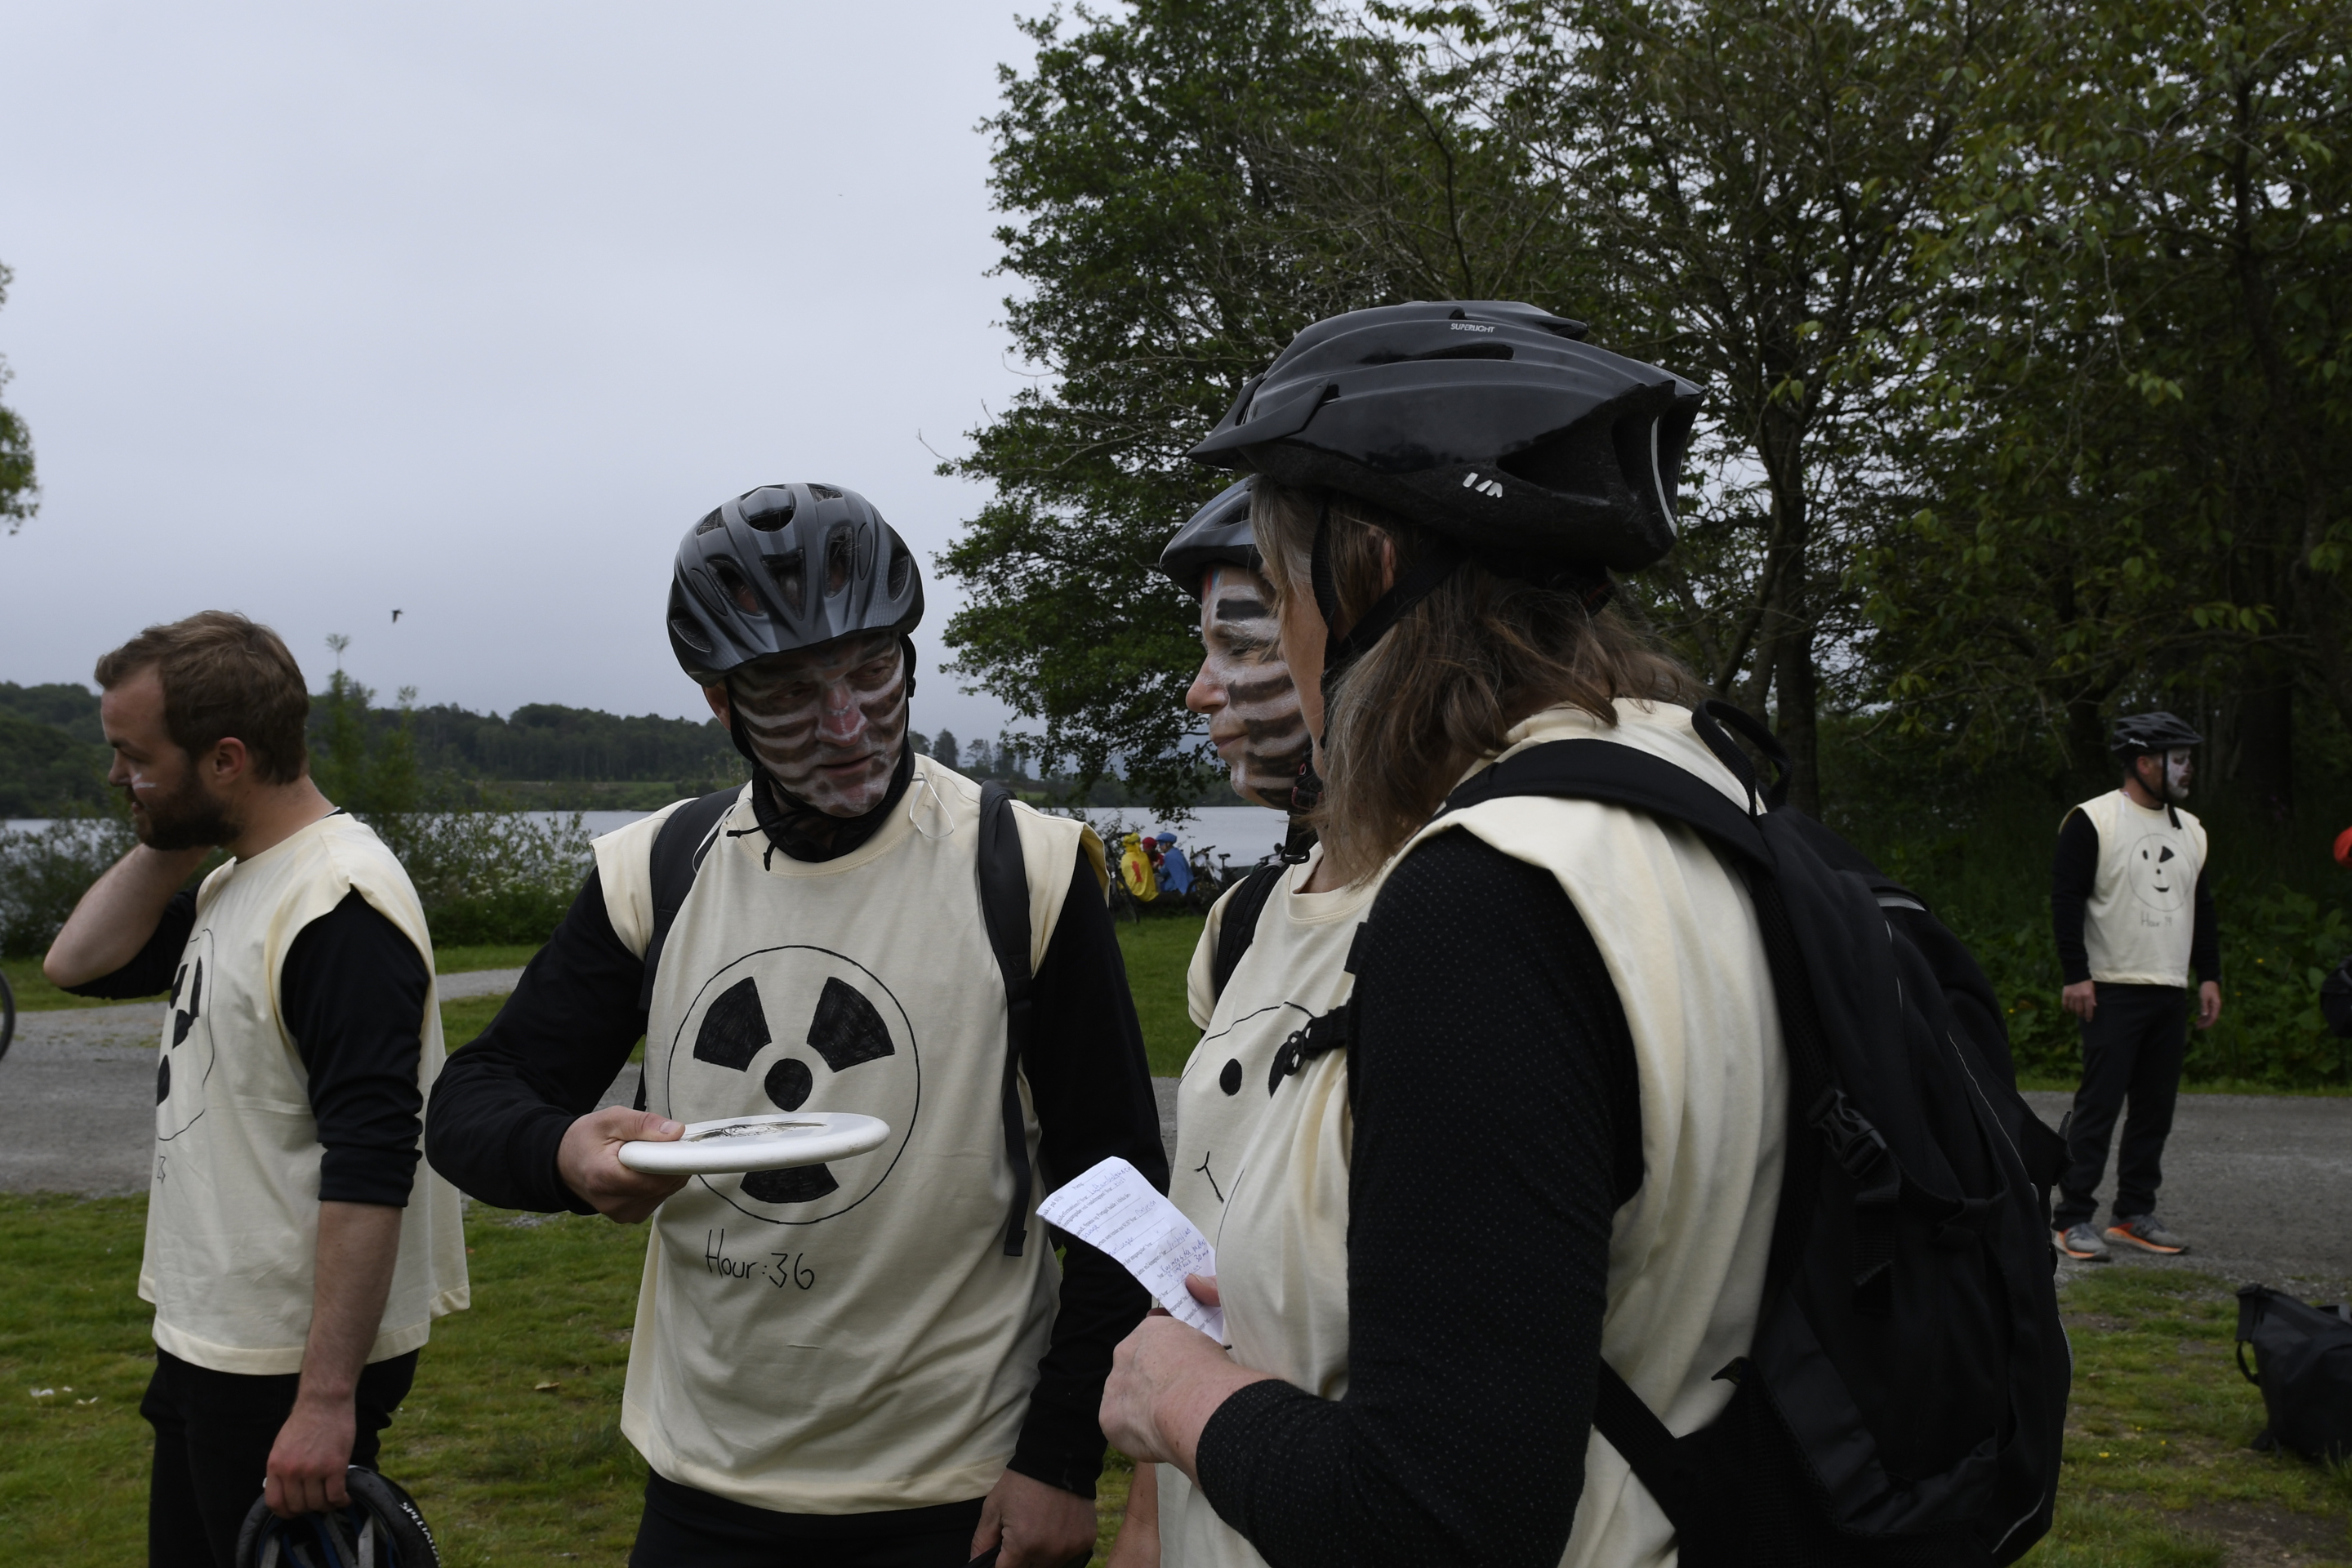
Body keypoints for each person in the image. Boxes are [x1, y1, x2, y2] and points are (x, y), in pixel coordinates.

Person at [1099, 300, 1790, 1568]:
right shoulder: (1697, 802)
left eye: (1278, 590)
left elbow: (1440, 1522)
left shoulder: (1487, 898)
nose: (1270, 649)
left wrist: (1177, 1398)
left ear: (1366, 569)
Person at [423, 483, 1166, 1568]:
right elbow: (473, 1100)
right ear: (720, 703)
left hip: (955, 1484)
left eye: (872, 670)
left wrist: (1058, 1458)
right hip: (705, 1479)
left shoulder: (1028, 868)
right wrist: (563, 1153)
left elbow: (1119, 1189)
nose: (847, 724)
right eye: (788, 690)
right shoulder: (656, 871)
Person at [41, 611, 467, 1568]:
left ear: (226, 758)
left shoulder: (337, 906)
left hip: (283, 1359)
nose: (116, 777)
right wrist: (176, 820)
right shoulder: (240, 878)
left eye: (134, 757)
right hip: (217, 1330)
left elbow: (373, 1160)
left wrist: (326, 1401)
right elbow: (76, 962)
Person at [1103, 479, 1320, 1565]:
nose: (1199, 692)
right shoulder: (1242, 923)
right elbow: (1203, 1252)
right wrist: (1149, 1520)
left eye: (1240, 645)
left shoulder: (1487, 918)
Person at [2048, 710, 2220, 1261]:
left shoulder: (2191, 829)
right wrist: (2076, 974)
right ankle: (2071, 1218)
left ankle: (2133, 1213)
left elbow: (2201, 907)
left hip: (2168, 986)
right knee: (2099, 1108)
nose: (2188, 769)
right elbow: (2066, 899)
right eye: (2178, 759)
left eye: (2188, 759)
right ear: (2145, 763)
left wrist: (2209, 976)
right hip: (2111, 986)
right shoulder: (2094, 820)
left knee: (2154, 1110)